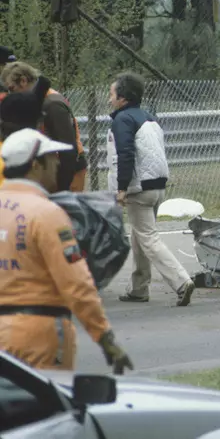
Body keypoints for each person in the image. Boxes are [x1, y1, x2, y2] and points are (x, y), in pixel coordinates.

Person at [0, 128, 133, 372]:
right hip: (39, 337)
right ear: (35, 164)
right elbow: (76, 284)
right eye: (51, 158)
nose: (57, 164)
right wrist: (104, 336)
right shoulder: (46, 213)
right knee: (49, 408)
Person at [108, 72, 196, 306]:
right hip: (157, 186)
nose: (110, 99)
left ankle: (181, 281)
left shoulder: (122, 120)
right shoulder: (149, 118)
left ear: (123, 97)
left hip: (139, 189)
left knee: (147, 238)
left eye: (112, 94)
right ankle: (139, 288)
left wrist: (122, 188)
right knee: (139, 237)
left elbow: (125, 154)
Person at [0, 62, 87, 192]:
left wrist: (62, 188)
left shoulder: (52, 104)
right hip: (53, 169)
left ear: (23, 81)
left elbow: (68, 150)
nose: (11, 94)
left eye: (12, 89)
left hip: (69, 171)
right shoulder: (42, 100)